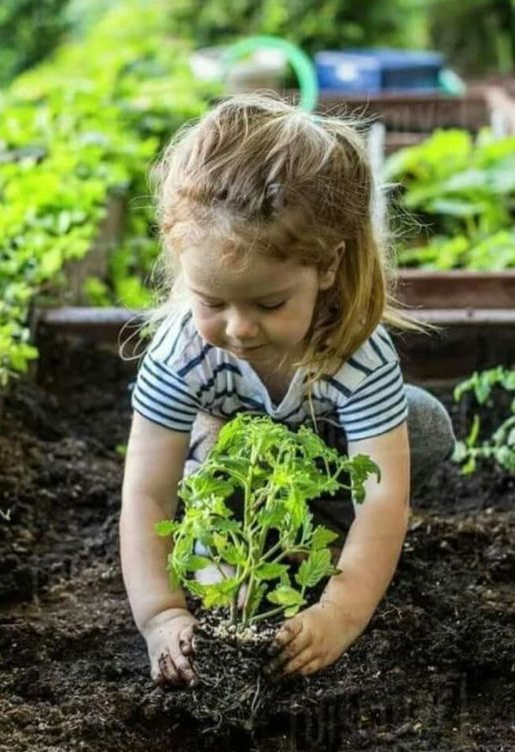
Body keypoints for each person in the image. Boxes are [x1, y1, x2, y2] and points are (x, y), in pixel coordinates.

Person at [119, 92, 455, 688]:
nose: (240, 329)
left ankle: (315, 540)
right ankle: (230, 551)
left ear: (326, 268)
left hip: (321, 463)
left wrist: (339, 612)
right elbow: (147, 495)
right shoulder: (180, 353)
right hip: (226, 474)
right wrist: (161, 615)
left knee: (423, 423)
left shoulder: (356, 350)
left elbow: (383, 500)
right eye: (212, 302)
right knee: (198, 480)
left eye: (269, 303)